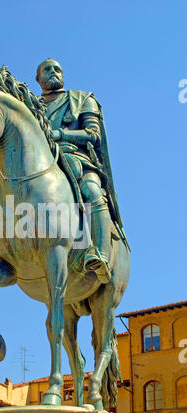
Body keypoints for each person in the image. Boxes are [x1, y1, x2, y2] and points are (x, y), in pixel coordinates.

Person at [36, 58, 126, 284]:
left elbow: (93, 135)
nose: (54, 72)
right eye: (47, 70)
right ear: (37, 79)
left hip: (76, 158)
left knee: (92, 191)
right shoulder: (31, 106)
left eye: (58, 69)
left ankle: (101, 255)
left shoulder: (82, 99)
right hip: (39, 163)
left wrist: (62, 135)